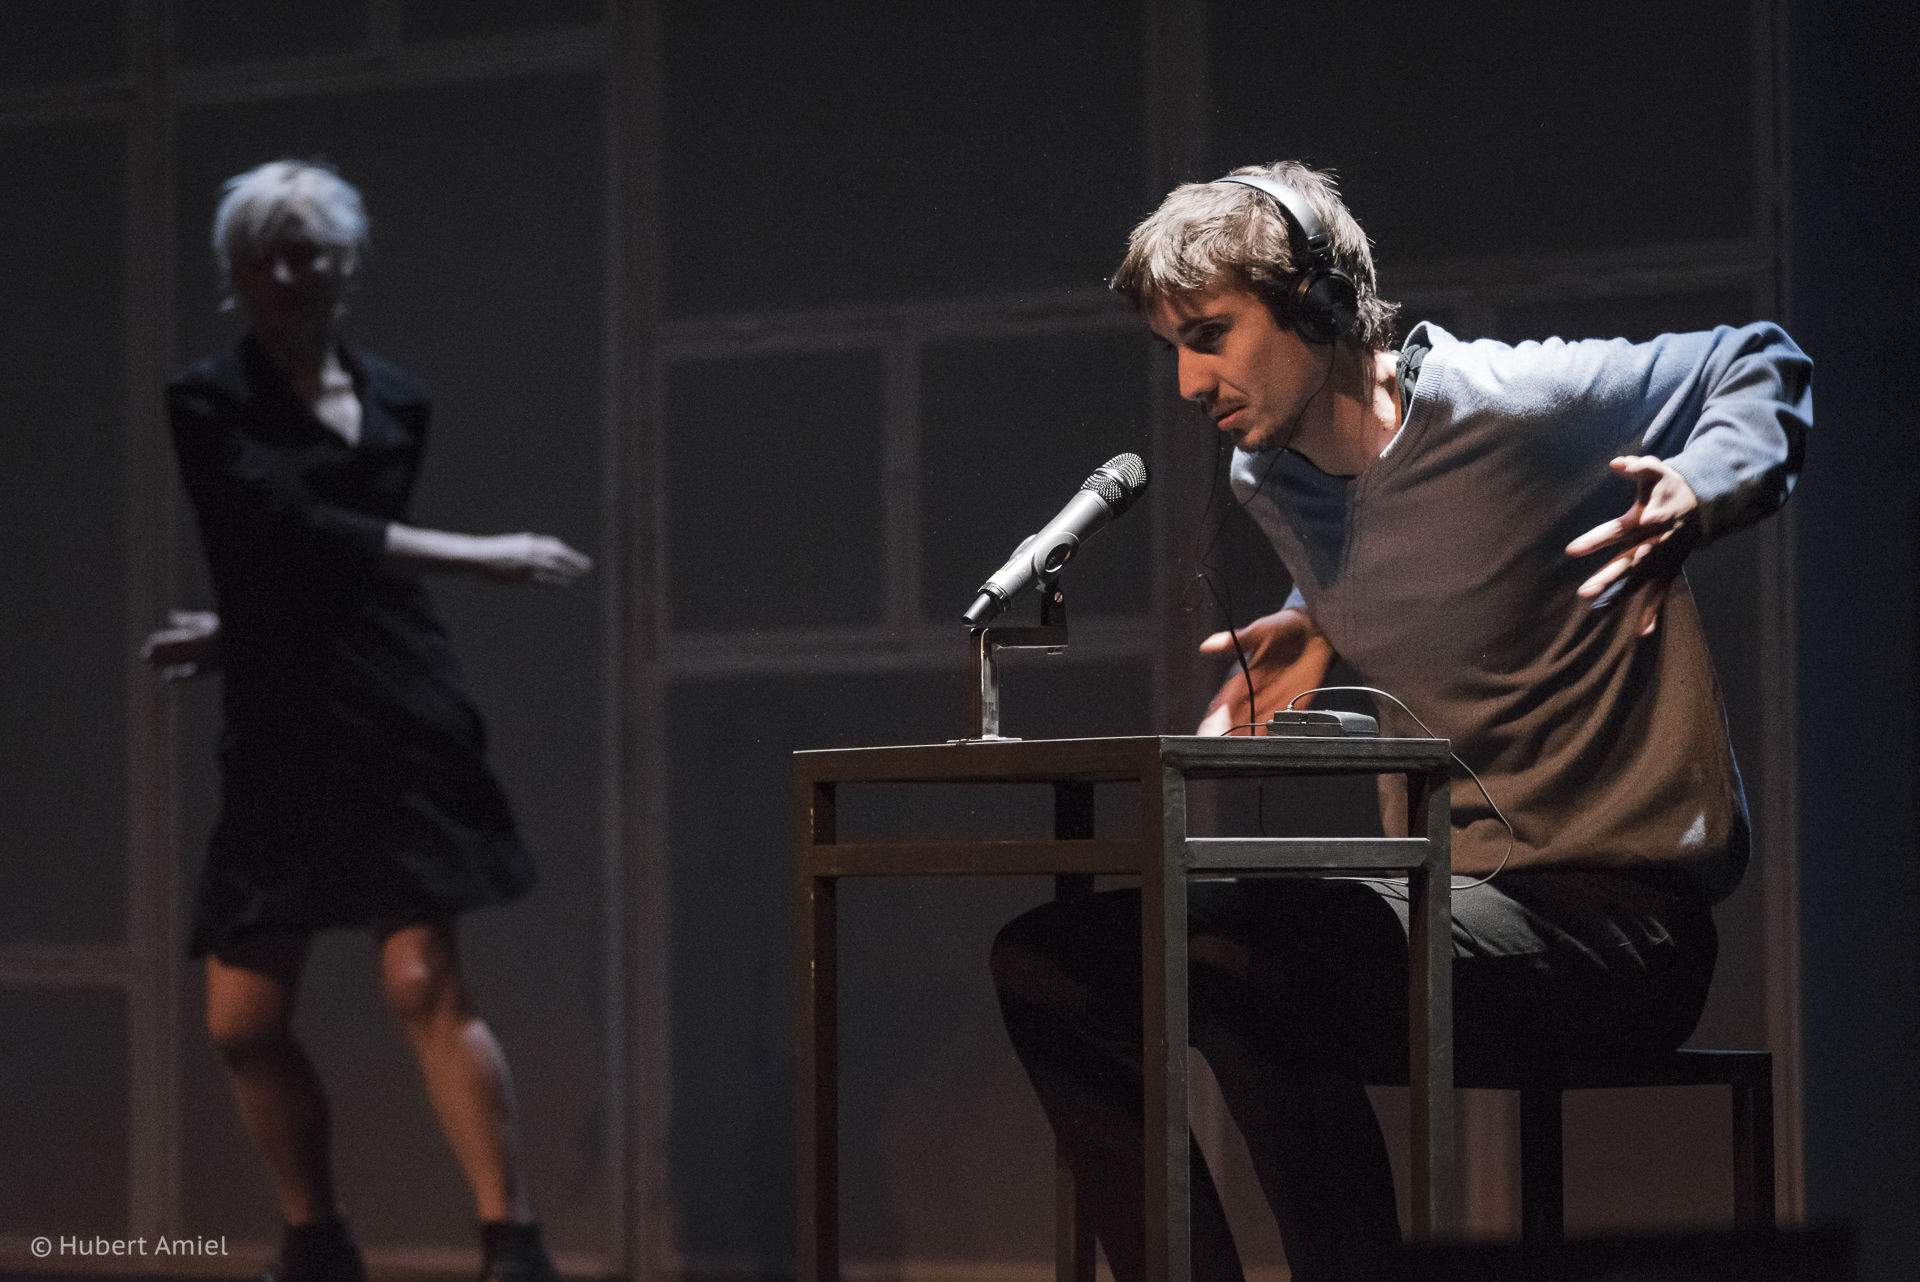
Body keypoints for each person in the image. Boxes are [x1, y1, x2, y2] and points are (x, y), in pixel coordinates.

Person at [989, 161, 1812, 1281]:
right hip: (1445, 905)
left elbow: (1762, 359)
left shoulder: (1511, 404)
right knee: (1050, 961)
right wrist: (1313, 618)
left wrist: (1701, 486)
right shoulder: (1272, 479)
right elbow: (1413, 540)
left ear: (1318, 305)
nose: (1187, 381)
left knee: (1240, 957)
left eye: (1211, 335)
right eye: (1173, 347)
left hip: (1622, 928)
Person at [143, 160, 591, 1282]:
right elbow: (282, 529)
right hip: (283, 722)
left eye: (304, 253)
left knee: (422, 982)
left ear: (347, 263)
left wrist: (242, 625)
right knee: (241, 1019)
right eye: (260, 257)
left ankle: (511, 1241)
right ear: (234, 272)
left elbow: (322, 578)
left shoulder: (397, 396)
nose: (283, 276)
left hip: (397, 701)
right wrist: (481, 555)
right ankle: (318, 1233)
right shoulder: (208, 399)